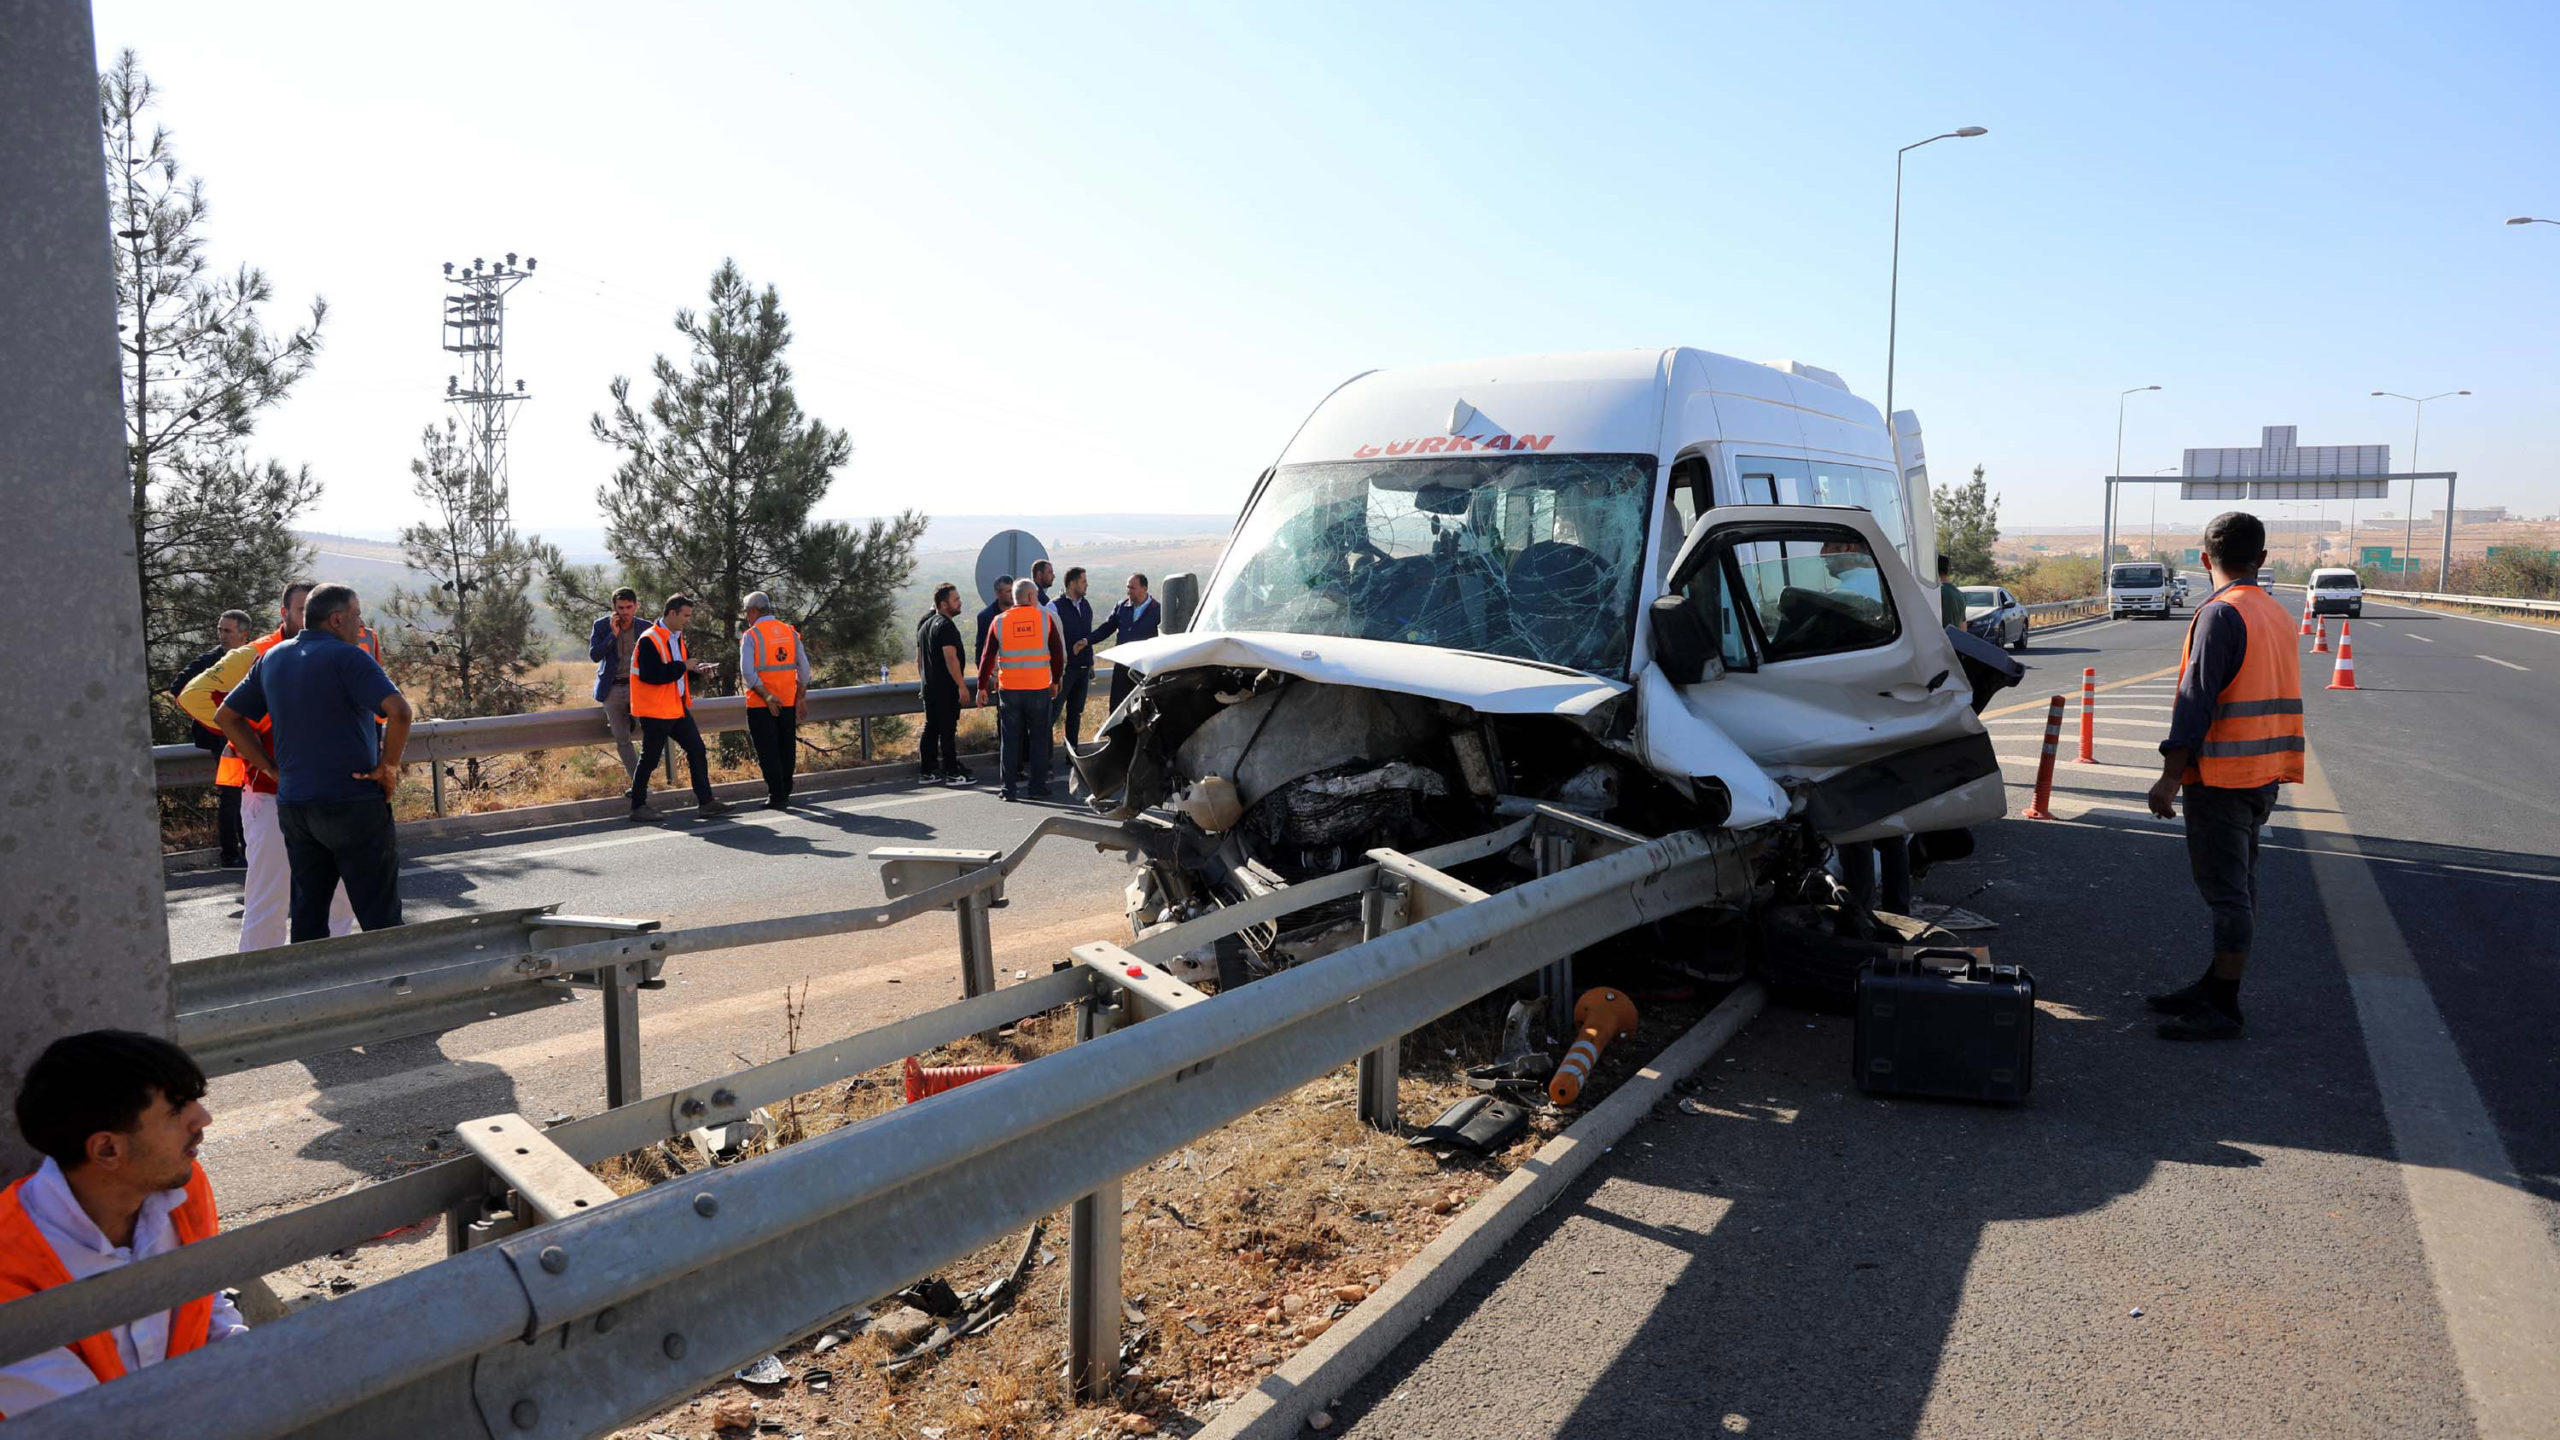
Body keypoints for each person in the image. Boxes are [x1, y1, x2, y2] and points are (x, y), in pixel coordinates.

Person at [0, 1031, 246, 1418]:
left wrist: (254, 1366)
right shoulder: (8, 1269)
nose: (203, 1119)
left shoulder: (183, 1188)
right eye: (177, 1108)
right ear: (107, 1150)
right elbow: (82, 1424)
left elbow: (205, 1300)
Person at [2146, 510, 2303, 1041]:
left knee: (2227, 893)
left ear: (2204, 558)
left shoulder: (2219, 614)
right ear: (2261, 559)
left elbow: (2195, 701)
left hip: (2222, 776)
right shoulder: (2275, 613)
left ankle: (2224, 1006)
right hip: (2264, 775)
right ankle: (2214, 986)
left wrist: (2170, 777)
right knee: (2242, 885)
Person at [212, 584, 414, 943]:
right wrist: (389, 768)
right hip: (352, 801)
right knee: (379, 915)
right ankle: (393, 991)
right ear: (337, 620)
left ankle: (309, 991)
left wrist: (268, 767)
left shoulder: (273, 657)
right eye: (356, 616)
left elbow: (227, 716)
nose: (360, 625)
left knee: (308, 915)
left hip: (295, 806)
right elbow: (399, 711)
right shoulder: (351, 658)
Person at [179, 583, 357, 951]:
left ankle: (337, 975)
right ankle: (258, 986)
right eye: (300, 610)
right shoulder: (258, 652)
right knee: (269, 896)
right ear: (284, 613)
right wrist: (252, 738)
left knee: (342, 895)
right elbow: (194, 695)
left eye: (315, 609)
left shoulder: (350, 641)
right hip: (268, 791)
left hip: (332, 793)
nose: (311, 618)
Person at [627, 594, 727, 822]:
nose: (688, 620)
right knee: (650, 759)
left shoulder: (676, 637)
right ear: (672, 613)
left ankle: (706, 803)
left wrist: (696, 670)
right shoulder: (649, 639)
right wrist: (683, 666)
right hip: (655, 710)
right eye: (685, 615)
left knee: (697, 750)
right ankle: (638, 807)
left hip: (676, 707)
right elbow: (652, 676)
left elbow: (680, 671)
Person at [168, 610, 254, 867]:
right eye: (220, 629)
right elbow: (178, 687)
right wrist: (214, 714)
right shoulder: (210, 661)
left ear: (244, 634)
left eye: (227, 631)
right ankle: (230, 854)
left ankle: (252, 852)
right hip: (222, 741)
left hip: (250, 739)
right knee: (231, 796)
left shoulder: (253, 657)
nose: (222, 635)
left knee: (251, 796)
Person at [977, 578, 1066, 801]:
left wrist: (981, 686)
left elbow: (987, 656)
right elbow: (1056, 653)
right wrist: (1055, 681)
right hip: (1038, 688)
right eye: (1035, 595)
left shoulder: (998, 621)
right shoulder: (1045, 619)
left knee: (1010, 740)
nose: (1037, 599)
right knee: (1038, 739)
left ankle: (1008, 789)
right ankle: (1036, 787)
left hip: (1010, 691)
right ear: (1029, 596)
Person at [739, 591, 811, 810]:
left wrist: (768, 697)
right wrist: (800, 697)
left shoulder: (751, 635)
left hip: (762, 704)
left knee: (767, 749)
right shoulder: (790, 632)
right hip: (788, 701)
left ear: (753, 611)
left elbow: (748, 673)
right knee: (786, 747)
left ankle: (777, 795)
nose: (746, 617)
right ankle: (786, 790)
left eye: (746, 613)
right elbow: (805, 671)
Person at [915, 582, 973, 786]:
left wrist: (925, 681)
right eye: (955, 599)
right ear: (943, 603)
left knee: (931, 728)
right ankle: (952, 773)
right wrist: (961, 685)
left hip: (930, 688)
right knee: (947, 730)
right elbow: (950, 658)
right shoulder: (946, 626)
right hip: (945, 689)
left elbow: (919, 660)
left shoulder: (926, 626)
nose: (960, 602)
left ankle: (926, 771)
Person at [586, 587, 645, 779]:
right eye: (621, 607)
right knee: (622, 739)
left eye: (629, 607)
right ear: (614, 607)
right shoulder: (601, 625)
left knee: (650, 731)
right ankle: (639, 783)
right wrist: (612, 635)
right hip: (612, 688)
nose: (625, 612)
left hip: (638, 687)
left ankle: (644, 777)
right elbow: (595, 655)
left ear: (635, 606)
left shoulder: (645, 627)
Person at [1090, 572, 1161, 713]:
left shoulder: (1157, 610)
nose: (1128, 591)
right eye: (1127, 587)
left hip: (1144, 669)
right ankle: (1115, 735)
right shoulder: (1122, 607)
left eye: (1132, 588)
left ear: (1144, 588)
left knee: (1143, 709)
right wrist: (1087, 640)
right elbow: (1107, 628)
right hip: (1122, 667)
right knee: (1118, 706)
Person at [1049, 566, 1097, 748]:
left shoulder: (1085, 605)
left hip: (1083, 669)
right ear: (1072, 583)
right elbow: (1050, 641)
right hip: (1064, 671)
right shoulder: (1054, 607)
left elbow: (1088, 635)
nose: (1087, 585)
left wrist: (1090, 661)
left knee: (1075, 713)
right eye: (1083, 581)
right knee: (1052, 714)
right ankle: (1045, 761)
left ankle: (1072, 755)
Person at [973, 575, 1014, 666]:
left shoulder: (1021, 613)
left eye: (1013, 590)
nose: (1012, 594)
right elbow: (981, 647)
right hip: (995, 671)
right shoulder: (985, 617)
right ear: (998, 593)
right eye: (1008, 591)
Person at [1936, 554, 1966, 630]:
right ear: (1948, 571)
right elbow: (1963, 629)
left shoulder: (1936, 592)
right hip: (1954, 641)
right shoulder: (1960, 595)